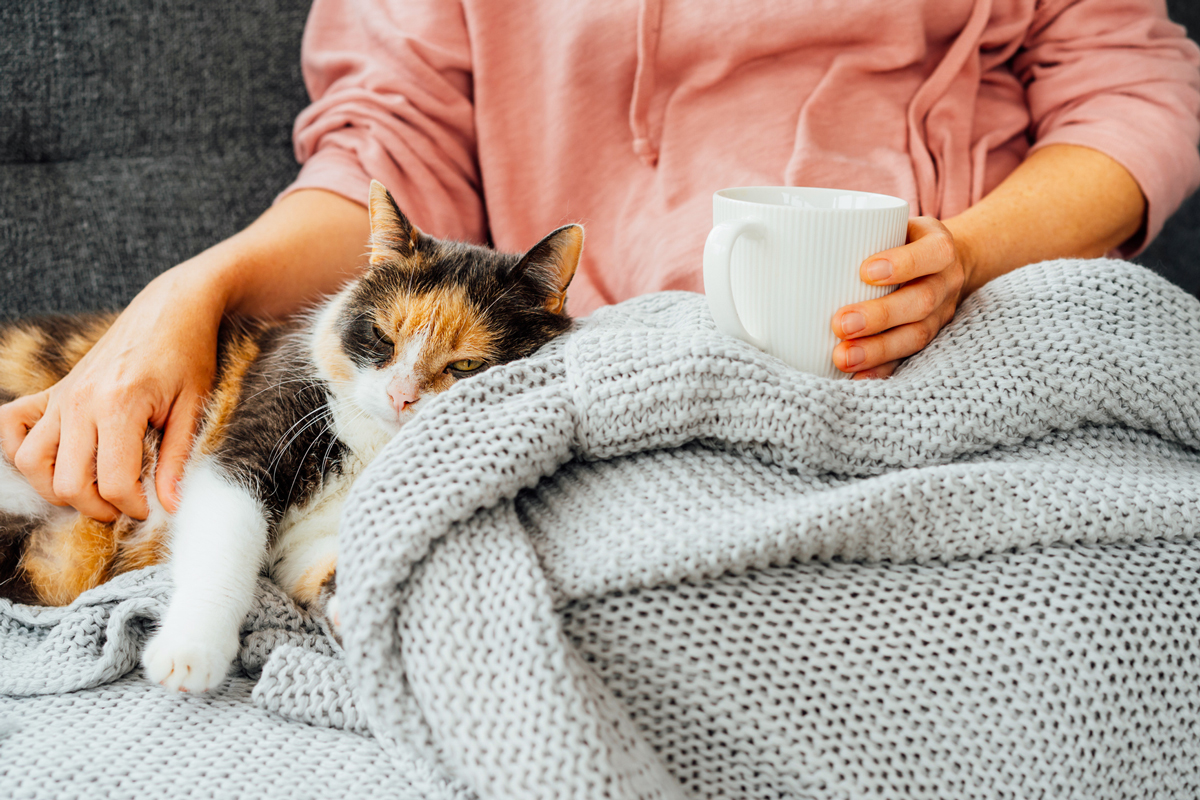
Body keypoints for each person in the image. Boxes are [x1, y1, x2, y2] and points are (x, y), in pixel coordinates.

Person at [2, 0, 1198, 526]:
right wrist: (187, 289)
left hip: (946, 333)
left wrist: (968, 253)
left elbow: (1137, 92)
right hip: (592, 375)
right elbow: (389, 162)